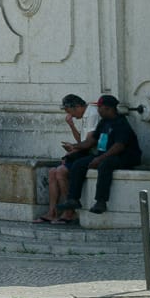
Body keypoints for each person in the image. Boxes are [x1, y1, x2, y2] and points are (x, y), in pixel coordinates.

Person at [59, 95, 142, 215]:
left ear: (108, 108)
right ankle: (73, 199)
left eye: (100, 108)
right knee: (78, 164)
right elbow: (91, 141)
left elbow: (119, 146)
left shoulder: (121, 123)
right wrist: (74, 146)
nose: (98, 111)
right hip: (106, 154)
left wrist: (100, 158)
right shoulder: (104, 122)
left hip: (125, 156)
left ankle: (101, 201)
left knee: (105, 165)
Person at [36, 94, 99, 225]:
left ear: (77, 107)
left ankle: (70, 212)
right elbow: (81, 140)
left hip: (93, 154)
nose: (71, 115)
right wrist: (71, 125)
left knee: (60, 171)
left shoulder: (92, 114)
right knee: (52, 172)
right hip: (84, 151)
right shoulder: (85, 115)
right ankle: (52, 212)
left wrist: (73, 148)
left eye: (70, 111)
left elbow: (88, 143)